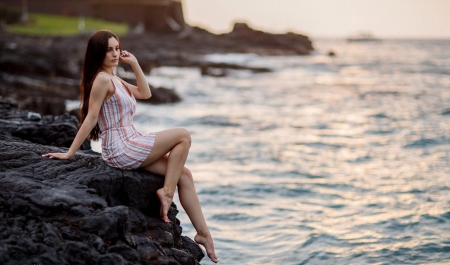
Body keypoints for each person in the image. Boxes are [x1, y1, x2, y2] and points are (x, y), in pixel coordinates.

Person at [42, 30, 218, 263]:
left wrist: (134, 63)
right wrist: (70, 152)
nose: (115, 53)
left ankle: (203, 234)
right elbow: (91, 117)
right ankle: (166, 192)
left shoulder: (114, 78)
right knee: (183, 136)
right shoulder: (102, 80)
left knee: (183, 174)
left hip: (131, 141)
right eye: (109, 49)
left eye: (117, 48)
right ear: (98, 53)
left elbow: (145, 93)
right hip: (121, 147)